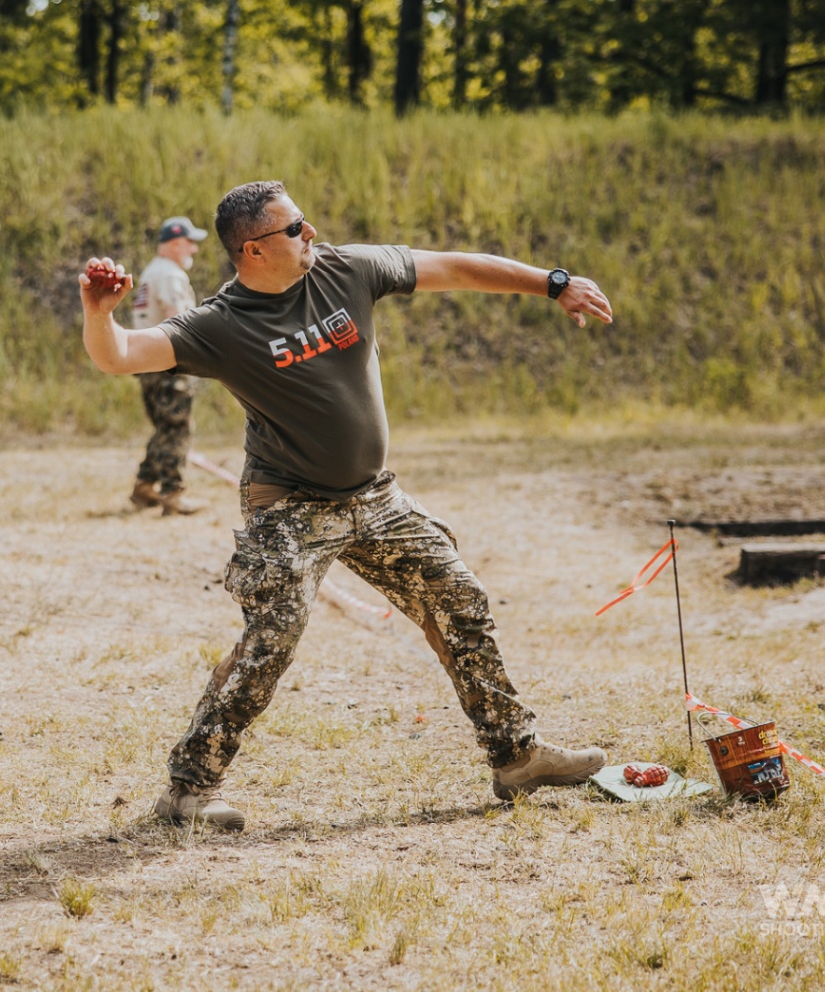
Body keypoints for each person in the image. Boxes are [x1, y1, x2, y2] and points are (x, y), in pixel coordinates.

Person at [78, 180, 616, 830]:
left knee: (458, 598)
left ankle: (515, 756)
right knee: (272, 634)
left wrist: (553, 282)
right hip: (289, 505)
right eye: (294, 228)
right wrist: (99, 313)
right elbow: (122, 355)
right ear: (252, 250)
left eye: (305, 222)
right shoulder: (221, 325)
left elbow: (453, 266)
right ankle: (189, 788)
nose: (311, 234)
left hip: (374, 496)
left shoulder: (345, 267)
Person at [128, 216, 208, 515]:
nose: (194, 250)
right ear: (175, 244)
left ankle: (144, 486)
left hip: (147, 361)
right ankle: (173, 494)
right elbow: (179, 320)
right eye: (190, 243)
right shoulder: (171, 275)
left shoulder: (152, 271)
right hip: (168, 362)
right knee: (178, 428)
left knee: (165, 426)